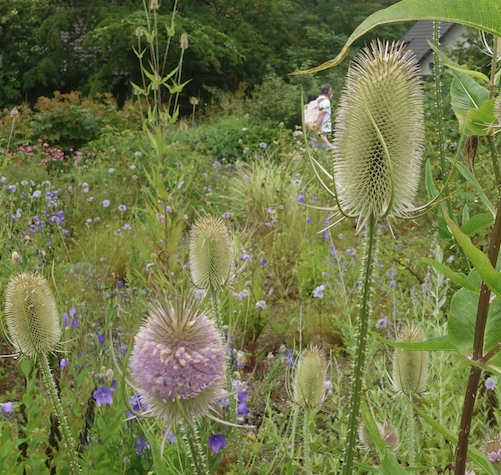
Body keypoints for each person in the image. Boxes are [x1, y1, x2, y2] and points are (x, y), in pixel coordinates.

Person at [315, 84, 334, 149]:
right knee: (320, 150)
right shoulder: (325, 101)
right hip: (322, 129)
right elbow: (321, 115)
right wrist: (318, 128)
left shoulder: (318, 100)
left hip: (316, 129)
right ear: (329, 92)